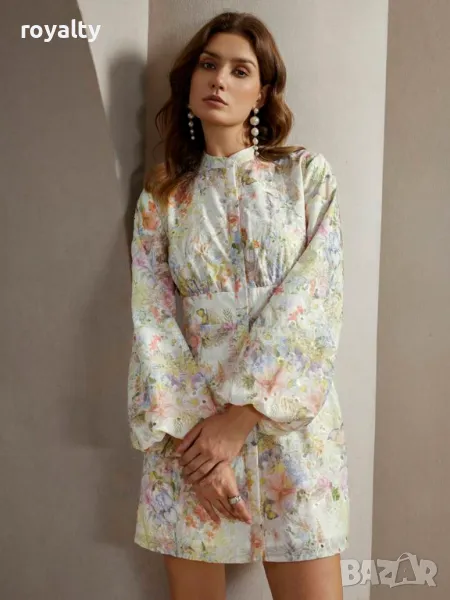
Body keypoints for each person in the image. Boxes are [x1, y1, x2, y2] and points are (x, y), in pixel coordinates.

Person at [127, 10, 349, 600]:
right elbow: (151, 320)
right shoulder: (163, 196)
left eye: (239, 70)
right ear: (191, 81)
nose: (219, 79)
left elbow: (314, 299)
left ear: (263, 91)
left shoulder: (305, 177)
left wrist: (241, 419)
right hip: (189, 435)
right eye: (209, 64)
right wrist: (200, 445)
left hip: (289, 425)